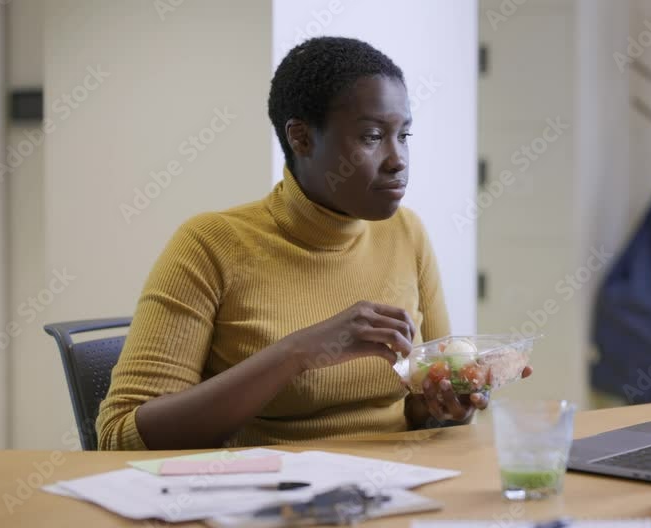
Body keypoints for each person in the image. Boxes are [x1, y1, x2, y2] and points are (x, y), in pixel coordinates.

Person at [96, 36, 530, 450]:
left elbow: (422, 410)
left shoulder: (406, 232)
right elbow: (120, 437)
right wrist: (297, 353)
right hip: (268, 492)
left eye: (404, 135)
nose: (398, 160)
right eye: (372, 137)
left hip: (397, 484)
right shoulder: (211, 245)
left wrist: (446, 407)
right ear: (301, 137)